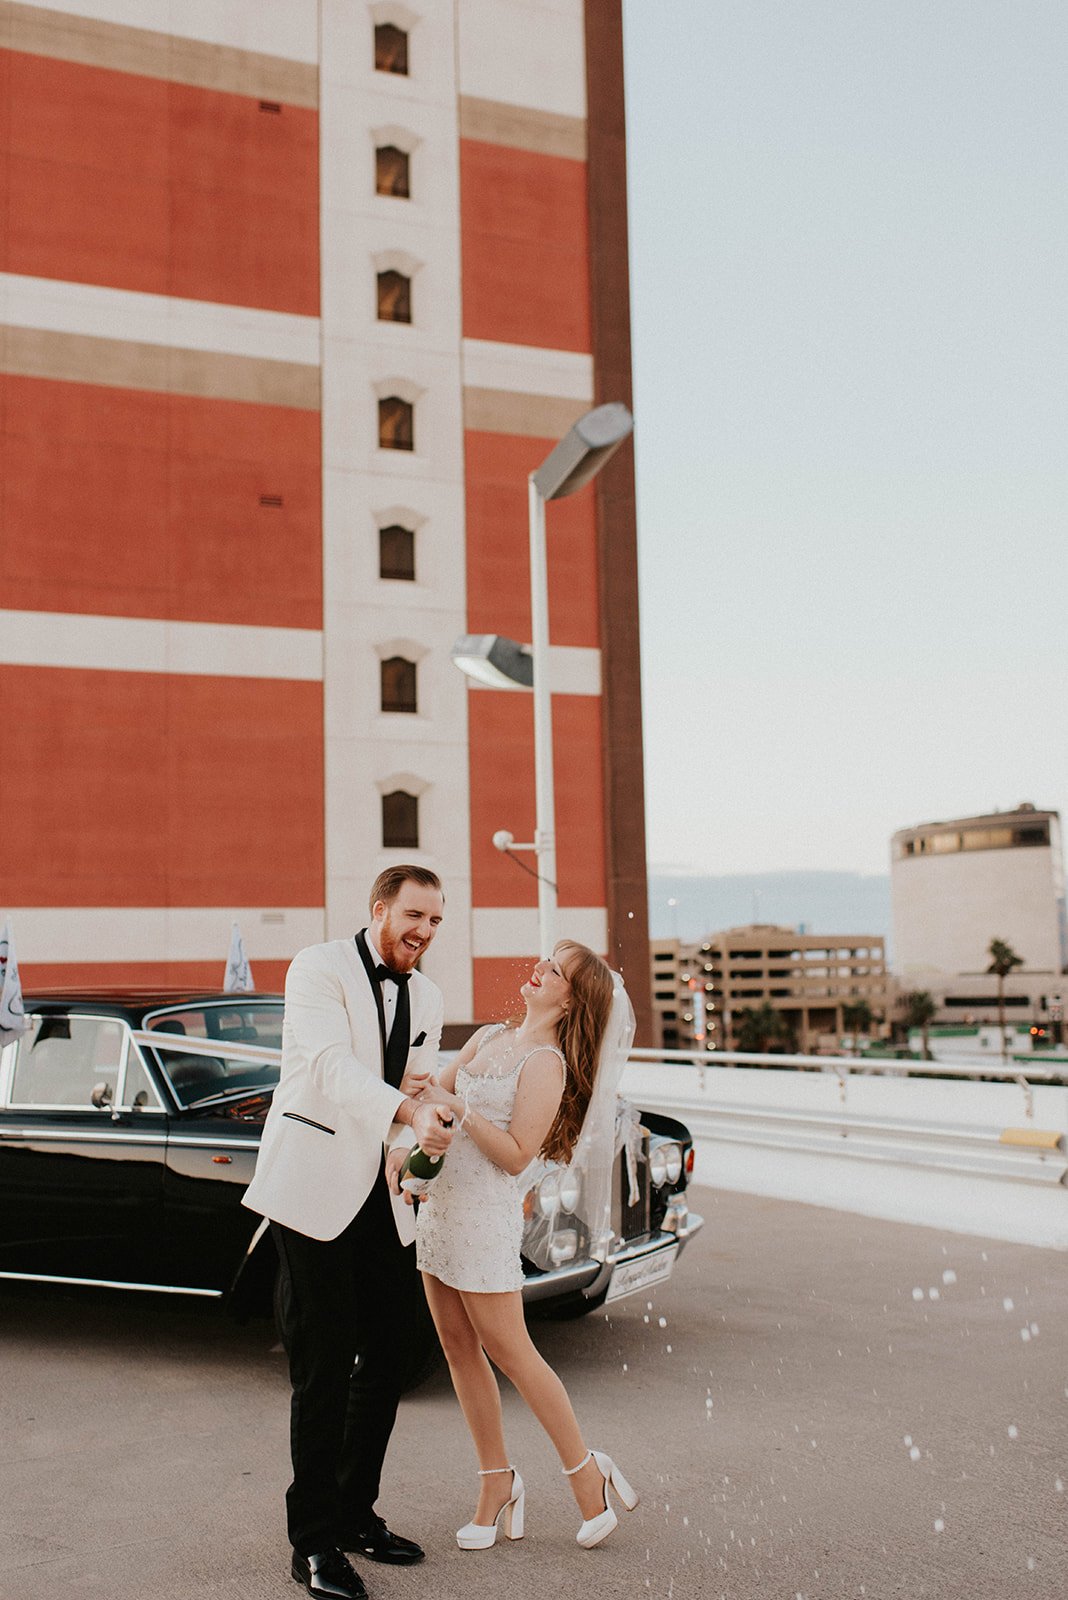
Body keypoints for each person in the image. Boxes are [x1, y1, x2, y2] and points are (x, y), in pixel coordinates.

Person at [243, 866, 454, 1600]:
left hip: (383, 1197)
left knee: (395, 1350)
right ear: (379, 910)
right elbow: (332, 1070)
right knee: (324, 1363)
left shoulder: (427, 994)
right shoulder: (318, 967)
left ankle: (356, 1512)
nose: (423, 932)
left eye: (435, 921)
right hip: (309, 1192)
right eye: (413, 916)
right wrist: (410, 1112)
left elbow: (420, 1087)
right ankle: (312, 1544)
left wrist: (414, 1140)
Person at [389, 940, 640, 1553]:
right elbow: (431, 1102)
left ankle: (588, 1476)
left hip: (484, 1219)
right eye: (545, 960)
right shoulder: (483, 1039)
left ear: (572, 997)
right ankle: (495, 1484)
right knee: (456, 1348)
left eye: (555, 970)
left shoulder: (546, 1064)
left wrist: (464, 1112)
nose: (539, 969)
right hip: (441, 1210)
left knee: (512, 1351)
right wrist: (411, 1105)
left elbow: (516, 1156)